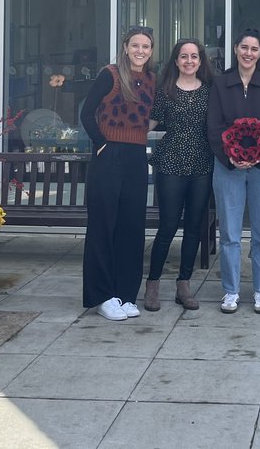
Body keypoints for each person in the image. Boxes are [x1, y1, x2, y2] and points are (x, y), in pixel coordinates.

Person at [79, 25, 156, 321]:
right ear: (125, 47)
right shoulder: (110, 74)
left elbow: (152, 115)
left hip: (136, 156)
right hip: (108, 155)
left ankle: (126, 294)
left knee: (132, 227)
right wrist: (102, 143)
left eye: (145, 47)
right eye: (135, 45)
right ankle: (102, 296)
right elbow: (87, 113)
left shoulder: (151, 79)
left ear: (150, 51)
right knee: (103, 226)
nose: (140, 51)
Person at [207, 28, 260, 314]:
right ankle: (230, 291)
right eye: (244, 47)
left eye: (254, 49)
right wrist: (231, 158)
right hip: (227, 167)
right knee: (229, 232)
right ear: (235, 48)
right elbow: (214, 127)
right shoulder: (220, 83)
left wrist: (259, 157)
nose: (248, 53)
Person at [144, 38, 214, 312]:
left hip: (201, 166)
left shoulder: (209, 92)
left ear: (200, 61)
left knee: (194, 228)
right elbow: (148, 124)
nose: (189, 61)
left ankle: (184, 284)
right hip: (171, 164)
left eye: (194, 56)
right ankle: (153, 283)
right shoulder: (165, 91)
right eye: (183, 56)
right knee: (168, 227)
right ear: (176, 61)